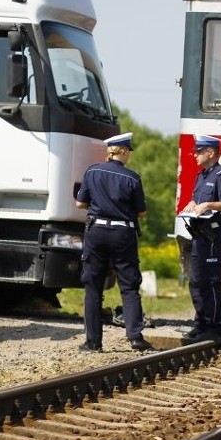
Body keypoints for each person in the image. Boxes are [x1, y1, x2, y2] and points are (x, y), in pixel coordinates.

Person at [76, 132, 152, 352]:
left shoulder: (92, 171)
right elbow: (142, 212)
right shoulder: (132, 177)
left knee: (93, 288)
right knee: (129, 287)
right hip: (123, 234)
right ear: (124, 152)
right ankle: (135, 338)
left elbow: (81, 204)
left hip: (96, 231)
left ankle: (93, 342)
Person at [180, 134, 221, 341]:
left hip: (212, 234)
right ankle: (201, 322)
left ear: (210, 153)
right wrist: (193, 204)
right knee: (196, 280)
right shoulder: (201, 176)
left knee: (211, 281)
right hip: (198, 235)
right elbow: (198, 199)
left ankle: (215, 325)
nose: (194, 154)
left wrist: (209, 205)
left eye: (198, 151)